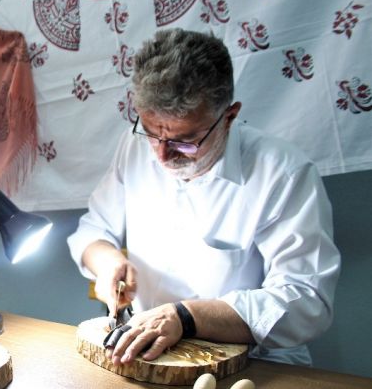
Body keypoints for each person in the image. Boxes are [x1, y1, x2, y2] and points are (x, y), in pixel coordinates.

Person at [67, 28, 340, 366]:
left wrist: (186, 317)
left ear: (229, 116)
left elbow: (307, 302)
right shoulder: (135, 145)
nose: (163, 156)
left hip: (256, 361)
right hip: (153, 352)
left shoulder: (283, 173)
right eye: (153, 134)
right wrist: (107, 262)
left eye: (186, 140)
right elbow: (92, 230)